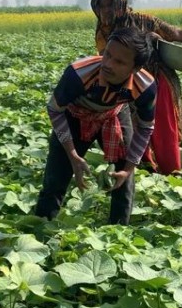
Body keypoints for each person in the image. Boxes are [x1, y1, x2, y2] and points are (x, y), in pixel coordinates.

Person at [90, 0, 182, 175]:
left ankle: (171, 169)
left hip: (156, 80)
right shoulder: (102, 31)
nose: (106, 10)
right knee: (133, 126)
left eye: (110, 5)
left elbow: (176, 33)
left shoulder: (144, 20)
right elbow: (104, 59)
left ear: (121, 4)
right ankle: (146, 167)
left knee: (162, 126)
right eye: (102, 6)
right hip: (126, 84)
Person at [34, 27, 157, 225]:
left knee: (124, 178)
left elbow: (145, 127)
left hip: (114, 114)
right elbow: (55, 109)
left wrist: (129, 168)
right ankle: (40, 229)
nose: (107, 64)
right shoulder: (79, 73)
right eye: (107, 54)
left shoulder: (145, 86)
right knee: (57, 176)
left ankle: (118, 230)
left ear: (135, 69)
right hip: (74, 114)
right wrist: (72, 155)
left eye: (119, 61)